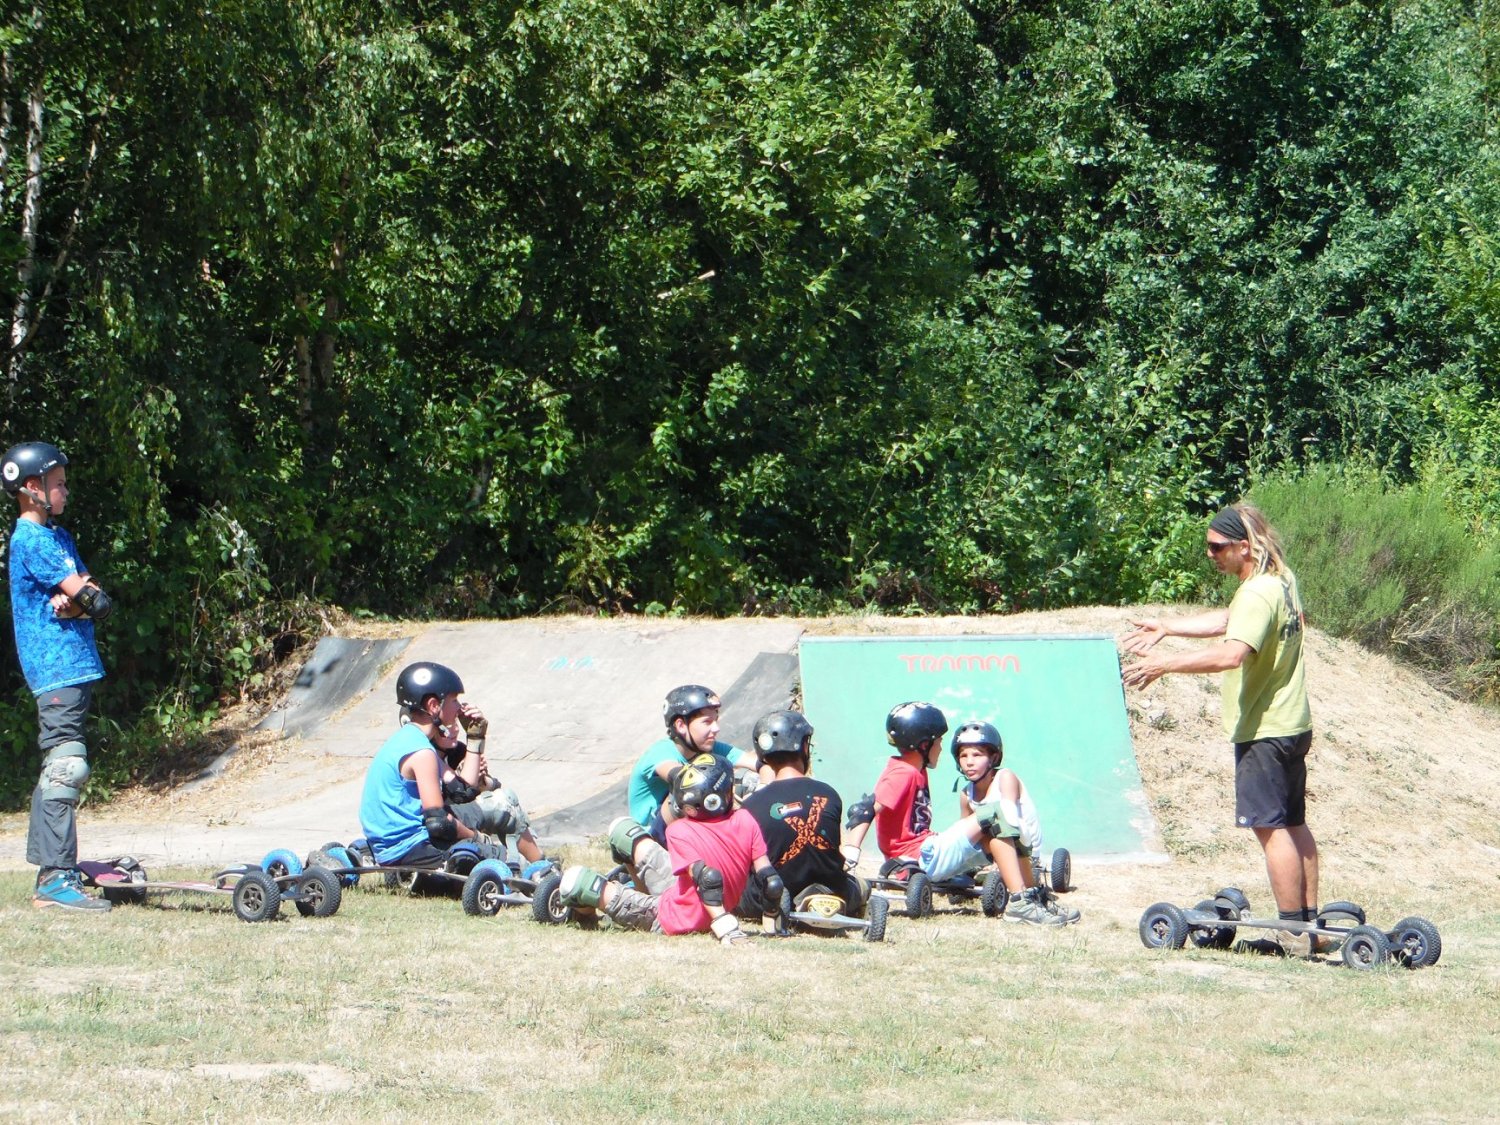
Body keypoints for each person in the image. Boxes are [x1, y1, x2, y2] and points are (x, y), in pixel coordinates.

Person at [1120, 502, 1319, 954]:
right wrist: (1168, 628)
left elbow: (1231, 653)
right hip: (1293, 722)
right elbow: (1231, 621)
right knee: (1294, 823)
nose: (1210, 554)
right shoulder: (1280, 581)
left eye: (1217, 547)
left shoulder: (1255, 592)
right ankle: (1311, 925)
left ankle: (1292, 932)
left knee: (1270, 828)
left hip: (1264, 730)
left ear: (1243, 547)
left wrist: (1164, 664)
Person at [843, 701, 1076, 926]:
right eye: (939, 741)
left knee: (996, 838)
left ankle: (1029, 897)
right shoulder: (903, 773)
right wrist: (851, 851)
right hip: (922, 857)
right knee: (998, 814)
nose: (942, 747)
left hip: (925, 853)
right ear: (924, 744)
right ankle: (1019, 904)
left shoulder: (913, 770)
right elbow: (865, 809)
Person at [5, 442, 114, 912]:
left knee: (59, 764)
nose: (66, 490)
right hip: (55, 669)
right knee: (67, 765)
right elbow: (93, 600)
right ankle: (55, 877)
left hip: (75, 665)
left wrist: (79, 601)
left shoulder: (60, 537)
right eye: (59, 484)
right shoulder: (31, 540)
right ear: (33, 489)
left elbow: (94, 597)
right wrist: (82, 601)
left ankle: (50, 868)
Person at [558, 753, 781, 945]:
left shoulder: (679, 830)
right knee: (622, 830)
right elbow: (771, 881)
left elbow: (707, 879)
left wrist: (726, 928)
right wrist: (773, 921)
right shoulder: (746, 819)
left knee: (576, 882)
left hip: (675, 917)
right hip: (690, 896)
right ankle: (640, 892)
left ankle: (585, 916)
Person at [359, 661, 535, 869]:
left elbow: (464, 791)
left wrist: (475, 737)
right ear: (434, 706)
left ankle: (537, 861)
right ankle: (539, 867)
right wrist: (477, 838)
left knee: (484, 829)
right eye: (454, 700)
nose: (459, 707)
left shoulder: (406, 739)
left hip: (389, 846)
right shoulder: (422, 752)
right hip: (413, 847)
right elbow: (438, 822)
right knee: (511, 863)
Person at [735, 709, 868, 921]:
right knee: (861, 886)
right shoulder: (829, 794)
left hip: (774, 894)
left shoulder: (751, 805)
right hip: (832, 890)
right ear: (804, 746)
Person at [625, 684, 757, 843]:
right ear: (681, 725)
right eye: (707, 722)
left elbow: (759, 763)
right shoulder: (660, 751)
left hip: (693, 828)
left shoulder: (709, 747)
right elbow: (683, 779)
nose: (716, 728)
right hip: (655, 839)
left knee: (748, 780)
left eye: (715, 720)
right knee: (693, 786)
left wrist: (764, 785)